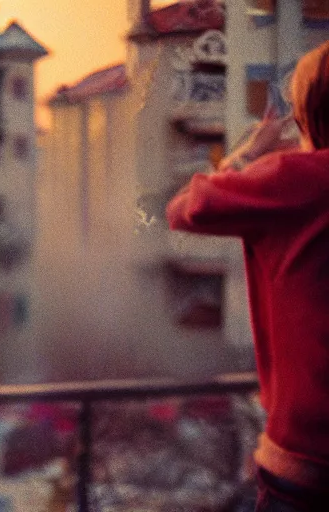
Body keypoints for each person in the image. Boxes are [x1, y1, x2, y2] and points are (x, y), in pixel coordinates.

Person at [167, 41, 329, 511]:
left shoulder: (294, 180)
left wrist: (249, 153)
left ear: (305, 112)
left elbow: (185, 208)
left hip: (306, 463)